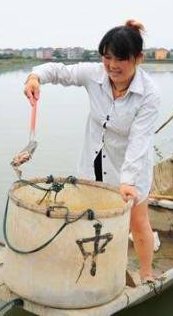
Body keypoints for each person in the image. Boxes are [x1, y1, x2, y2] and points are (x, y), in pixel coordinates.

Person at [23, 20, 160, 282]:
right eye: (107, 57)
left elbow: (139, 142)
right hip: (94, 160)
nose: (112, 65)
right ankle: (92, 267)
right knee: (91, 216)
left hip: (130, 166)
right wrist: (35, 77)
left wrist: (128, 182)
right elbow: (58, 71)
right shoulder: (94, 75)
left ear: (138, 59)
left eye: (121, 59)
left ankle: (147, 275)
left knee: (138, 222)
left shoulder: (149, 94)